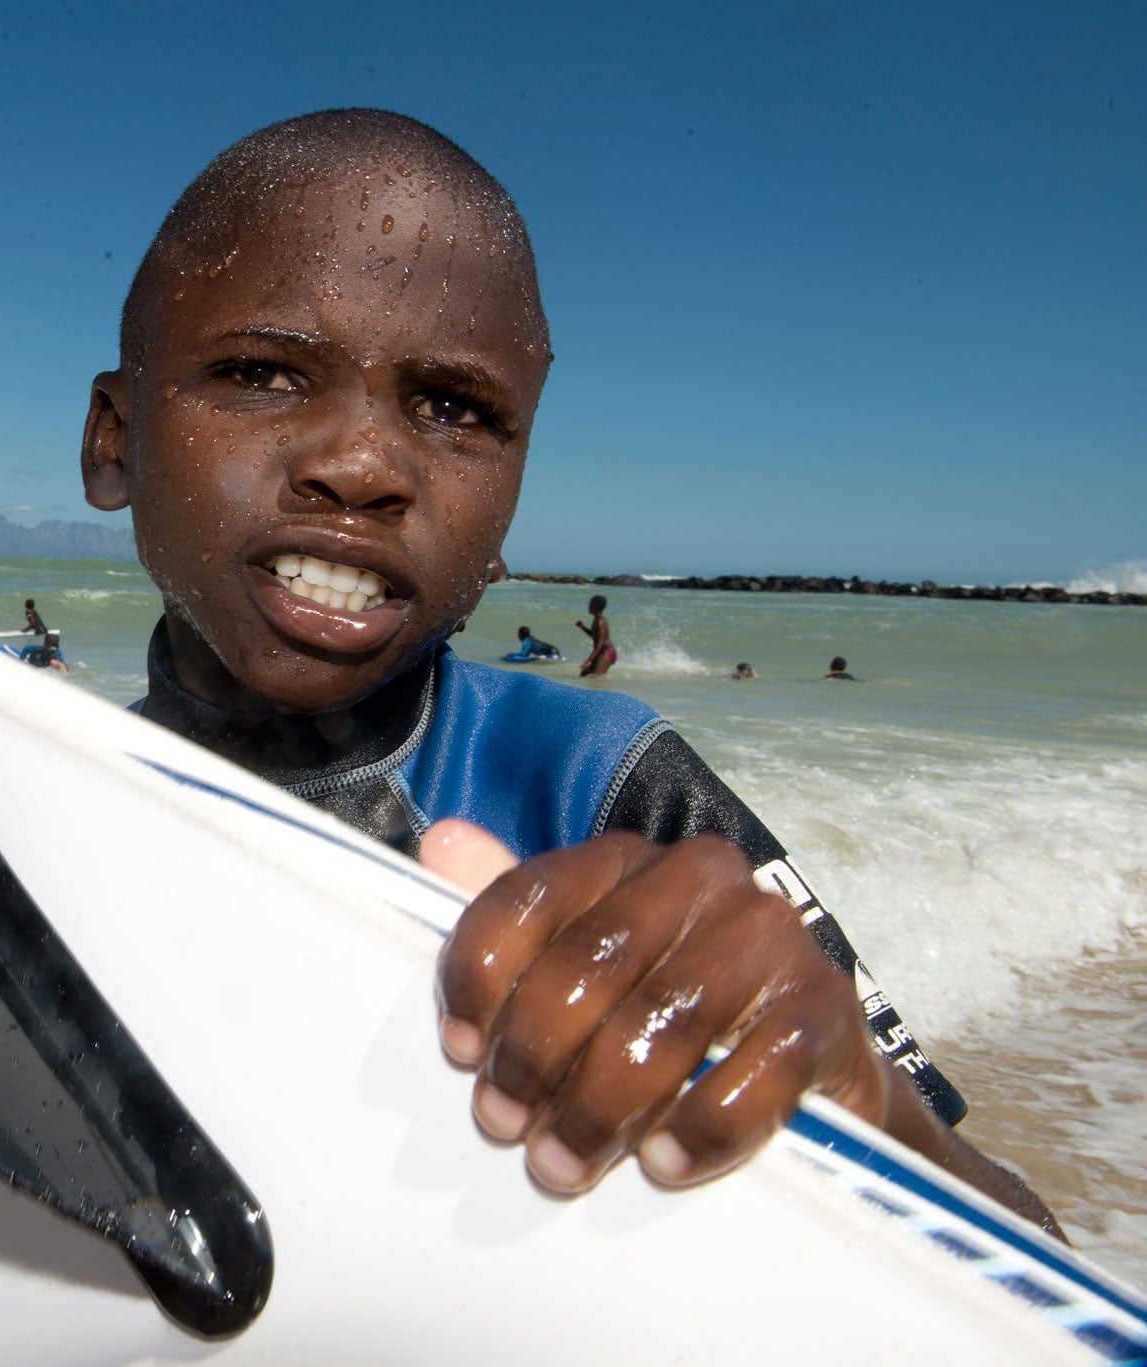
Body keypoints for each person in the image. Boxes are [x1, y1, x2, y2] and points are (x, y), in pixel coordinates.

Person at [77, 109, 1057, 1230]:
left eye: (453, 409)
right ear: (114, 437)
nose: (359, 466)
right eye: (260, 372)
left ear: (503, 519)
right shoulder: (19, 787)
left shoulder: (600, 788)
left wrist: (861, 1102)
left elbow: (1028, 1257)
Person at [576, 594, 616, 677]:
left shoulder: (600, 621)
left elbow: (600, 643)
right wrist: (582, 627)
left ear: (594, 605)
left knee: (597, 679)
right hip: (601, 652)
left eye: (589, 604)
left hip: (606, 653)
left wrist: (589, 660)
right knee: (582, 676)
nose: (588, 606)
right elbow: (594, 635)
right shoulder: (597, 619)